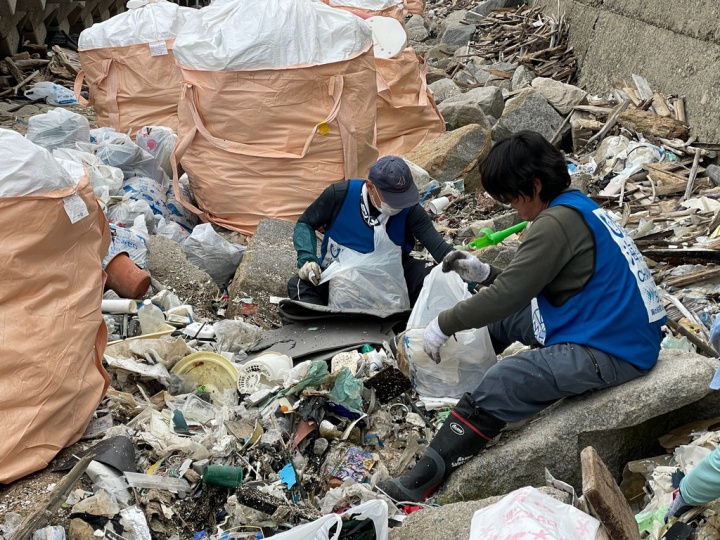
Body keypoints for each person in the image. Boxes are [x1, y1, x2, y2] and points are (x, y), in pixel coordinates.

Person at [378, 130, 667, 502]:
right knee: (502, 323)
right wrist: (483, 273)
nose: (512, 208)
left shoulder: (556, 224)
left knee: (505, 379)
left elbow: (510, 294)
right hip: (610, 327)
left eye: (512, 198)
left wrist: (442, 324)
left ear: (534, 184)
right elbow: (528, 287)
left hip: (613, 350)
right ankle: (461, 392)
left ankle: (418, 484)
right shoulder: (579, 208)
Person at [287, 155, 453, 307]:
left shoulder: (410, 210)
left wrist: (473, 275)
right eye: (392, 199)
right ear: (370, 186)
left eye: (403, 198)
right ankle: (321, 328)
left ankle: (409, 324)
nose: (399, 205)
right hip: (339, 276)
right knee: (299, 285)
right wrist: (307, 259)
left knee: (433, 277)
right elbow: (305, 223)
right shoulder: (339, 195)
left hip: (391, 279)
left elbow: (439, 249)